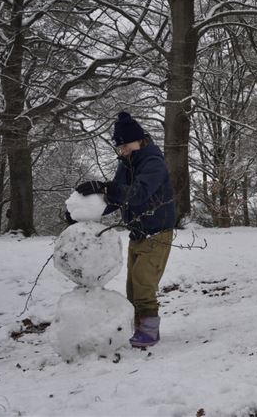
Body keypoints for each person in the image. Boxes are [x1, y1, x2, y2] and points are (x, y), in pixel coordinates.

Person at [71, 112, 176, 347]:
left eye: (125, 145)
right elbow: (118, 198)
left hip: (157, 231)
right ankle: (138, 328)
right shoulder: (127, 163)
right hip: (138, 232)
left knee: (143, 282)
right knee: (132, 286)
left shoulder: (153, 163)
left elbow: (137, 193)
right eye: (119, 147)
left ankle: (149, 332)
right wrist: (84, 211)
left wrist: (106, 188)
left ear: (138, 140)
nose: (122, 150)